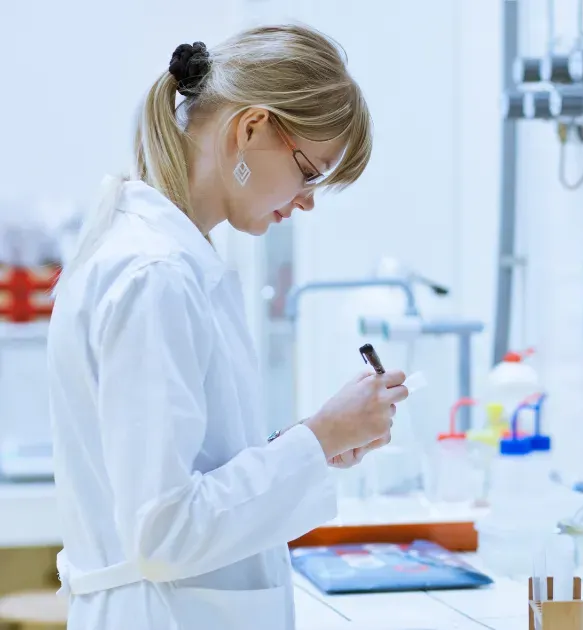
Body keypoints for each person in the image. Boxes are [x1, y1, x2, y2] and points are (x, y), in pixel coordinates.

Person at [46, 25, 403, 630]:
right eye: (309, 171)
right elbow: (163, 532)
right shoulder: (155, 273)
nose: (308, 201)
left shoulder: (176, 259)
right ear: (251, 128)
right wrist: (315, 438)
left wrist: (314, 446)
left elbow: (191, 476)